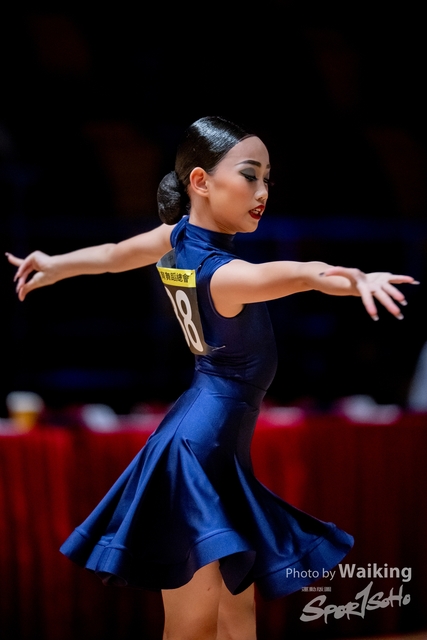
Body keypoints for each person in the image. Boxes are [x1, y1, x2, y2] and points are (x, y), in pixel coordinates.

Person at [7, 116, 417, 640]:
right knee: (192, 627)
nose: (262, 191)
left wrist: (56, 264)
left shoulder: (175, 239)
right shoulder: (223, 274)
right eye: (250, 175)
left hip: (210, 443)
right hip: (197, 452)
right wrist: (354, 279)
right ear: (200, 181)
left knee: (235, 617)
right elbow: (300, 274)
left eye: (267, 178)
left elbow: (111, 257)